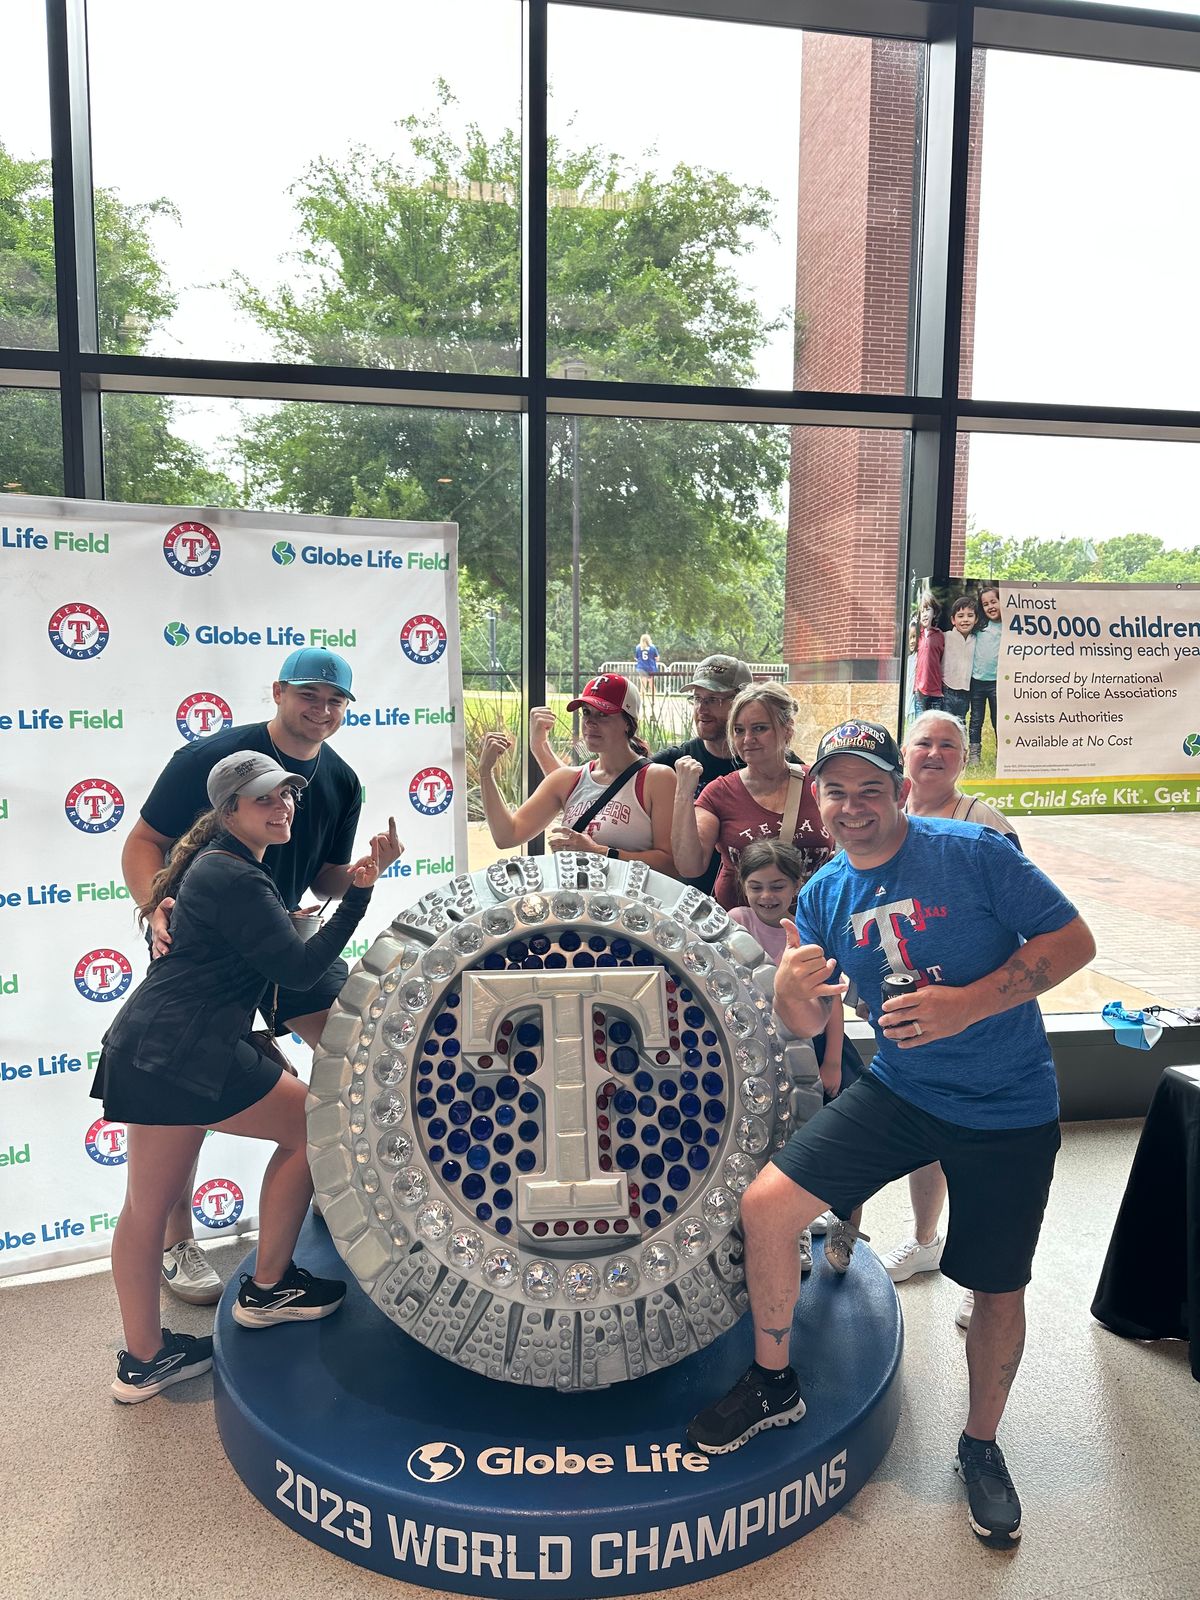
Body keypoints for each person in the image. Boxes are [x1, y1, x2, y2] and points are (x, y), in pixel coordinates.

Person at [686, 718, 1095, 1552]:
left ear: (900, 791)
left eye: (871, 789)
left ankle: (980, 1444)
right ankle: (774, 1382)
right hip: (902, 1091)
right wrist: (789, 988)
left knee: (996, 1285)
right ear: (818, 799)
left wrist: (967, 1004)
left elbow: (1076, 942)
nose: (853, 806)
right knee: (766, 1208)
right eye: (836, 791)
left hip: (1007, 1102)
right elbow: (807, 1019)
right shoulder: (824, 895)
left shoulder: (972, 853)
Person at [120, 647, 402, 1307]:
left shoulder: (340, 780)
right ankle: (176, 1241)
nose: (322, 709)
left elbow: (324, 878)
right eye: (309, 695)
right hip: (209, 953)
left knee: (356, 1045)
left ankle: (323, 1182)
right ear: (278, 692)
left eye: (335, 701)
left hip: (282, 941)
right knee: (183, 1096)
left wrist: (363, 873)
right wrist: (154, 902)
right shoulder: (211, 759)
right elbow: (142, 843)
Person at [97, 752, 381, 1402]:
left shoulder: (219, 864)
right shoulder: (233, 874)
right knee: (309, 1129)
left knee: (145, 1208)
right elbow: (299, 971)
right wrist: (360, 895)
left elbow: (242, 951)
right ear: (228, 811)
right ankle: (262, 1292)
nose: (284, 807)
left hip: (161, 1046)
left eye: (287, 796)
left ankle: (148, 1356)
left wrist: (289, 925)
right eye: (265, 799)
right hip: (181, 1056)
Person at [877, 710, 1021, 1326]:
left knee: (977, 1146)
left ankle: (979, 1272)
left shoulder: (983, 823)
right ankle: (925, 1240)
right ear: (904, 756)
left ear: (963, 759)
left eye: (948, 746)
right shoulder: (886, 819)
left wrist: (979, 998)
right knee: (924, 1132)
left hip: (976, 1016)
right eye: (923, 743)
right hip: (910, 1013)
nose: (934, 754)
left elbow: (1021, 917)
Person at [730, 839, 860, 1277]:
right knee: (771, 1137)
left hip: (814, 1045)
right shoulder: (735, 922)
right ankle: (786, 1226)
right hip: (759, 1051)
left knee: (826, 1137)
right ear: (743, 886)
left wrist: (833, 1061)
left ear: (796, 886)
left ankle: (830, 1222)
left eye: (777, 886)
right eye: (757, 886)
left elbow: (832, 999)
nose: (767, 896)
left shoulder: (810, 926)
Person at [530, 652, 753, 897]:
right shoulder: (673, 763)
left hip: (756, 902)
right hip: (688, 901)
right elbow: (590, 789)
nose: (702, 709)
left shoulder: (765, 765)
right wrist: (541, 748)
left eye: (714, 699)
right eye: (697, 698)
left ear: (742, 702)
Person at [480, 673, 676, 871]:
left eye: (603, 714)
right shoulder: (566, 779)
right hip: (574, 891)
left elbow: (671, 865)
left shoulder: (657, 779)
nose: (590, 722)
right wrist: (486, 772)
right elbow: (507, 836)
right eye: (586, 712)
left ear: (628, 722)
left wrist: (600, 852)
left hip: (628, 892)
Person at [670, 682, 833, 911]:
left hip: (814, 921)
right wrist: (683, 795)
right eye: (739, 730)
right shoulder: (720, 793)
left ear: (787, 729)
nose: (747, 739)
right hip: (741, 925)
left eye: (759, 728)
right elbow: (689, 866)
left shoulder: (818, 783)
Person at [968, 585, 1003, 764]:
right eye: (985, 604)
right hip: (977, 681)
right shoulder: (979, 626)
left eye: (993, 602)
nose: (990, 607)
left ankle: (1001, 753)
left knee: (998, 719)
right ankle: (974, 754)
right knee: (976, 719)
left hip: (998, 681)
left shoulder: (1007, 627)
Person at [941, 594, 978, 722]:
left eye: (970, 615)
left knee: (961, 723)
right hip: (946, 690)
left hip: (965, 692)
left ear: (976, 619)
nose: (965, 620)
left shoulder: (976, 640)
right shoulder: (945, 637)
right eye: (960, 616)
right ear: (953, 620)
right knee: (946, 723)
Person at [913, 595, 945, 713]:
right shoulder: (916, 635)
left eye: (927, 610)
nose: (925, 614)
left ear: (934, 613)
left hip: (936, 692)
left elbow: (941, 660)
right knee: (921, 722)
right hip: (920, 691)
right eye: (922, 612)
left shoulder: (940, 635)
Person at [634, 632, 662, 706]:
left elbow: (636, 658)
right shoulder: (652, 647)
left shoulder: (638, 647)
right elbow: (657, 658)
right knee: (651, 685)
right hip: (650, 668)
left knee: (643, 685)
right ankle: (653, 700)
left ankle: (643, 701)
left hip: (641, 668)